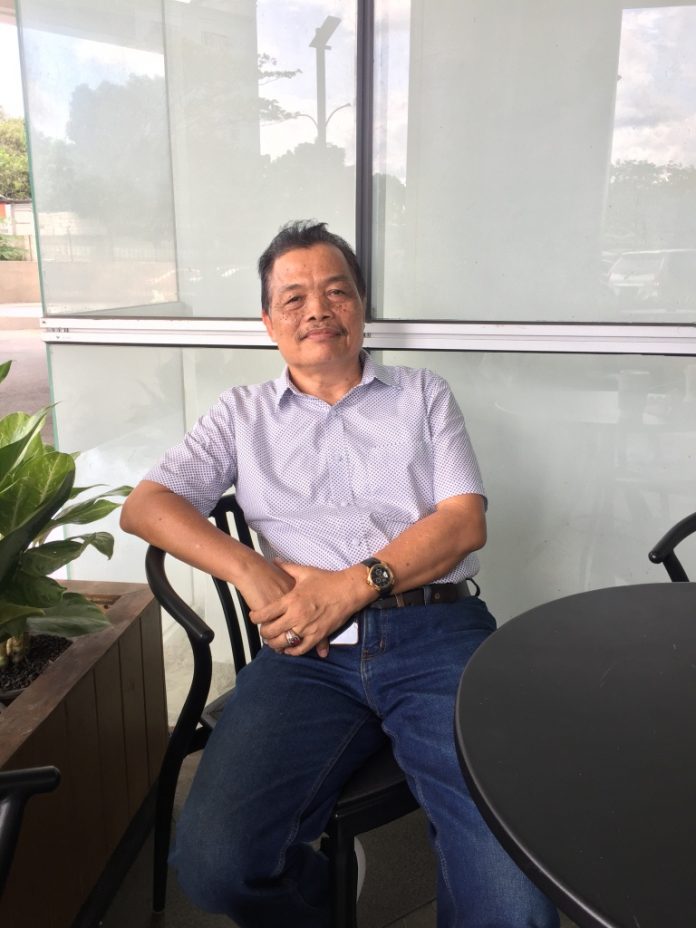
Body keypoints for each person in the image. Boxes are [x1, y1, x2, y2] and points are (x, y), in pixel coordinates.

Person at [121, 220, 559, 928]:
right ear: (268, 323)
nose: (317, 310)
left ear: (360, 307)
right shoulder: (241, 414)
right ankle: (322, 896)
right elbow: (147, 506)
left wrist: (349, 586)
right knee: (216, 864)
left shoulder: (422, 394)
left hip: (436, 630)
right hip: (307, 655)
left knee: (512, 897)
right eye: (293, 298)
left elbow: (462, 523)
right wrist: (255, 572)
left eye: (336, 292)